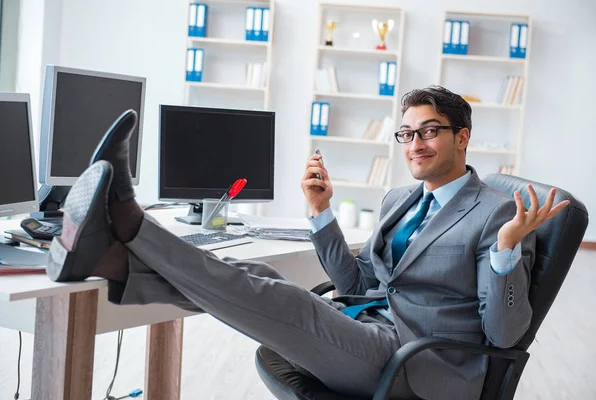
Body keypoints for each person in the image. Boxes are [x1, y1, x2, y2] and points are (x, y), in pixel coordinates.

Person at [47, 86, 568, 400]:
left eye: (430, 131)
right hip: (367, 329)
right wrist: (320, 212)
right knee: (264, 280)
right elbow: (356, 282)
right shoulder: (399, 200)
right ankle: (115, 259)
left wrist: (504, 253)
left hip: (420, 365)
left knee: (285, 301)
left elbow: (503, 337)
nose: (416, 144)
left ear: (462, 136)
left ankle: (128, 223)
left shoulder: (497, 213)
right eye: (406, 134)